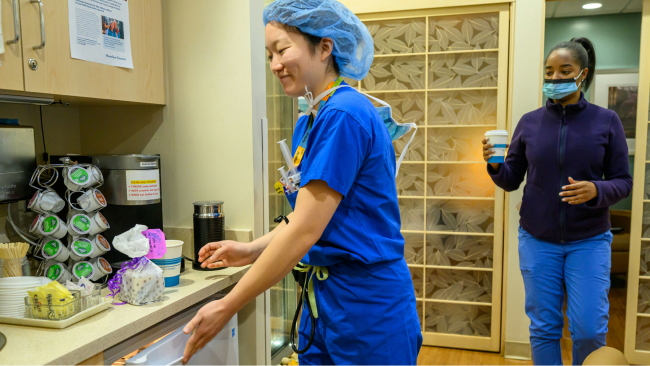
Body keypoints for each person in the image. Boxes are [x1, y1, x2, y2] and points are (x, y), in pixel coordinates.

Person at [181, 0, 422, 365]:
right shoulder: (309, 120)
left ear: (325, 47)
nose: (275, 64)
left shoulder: (344, 114)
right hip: (323, 300)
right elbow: (307, 219)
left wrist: (229, 305)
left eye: (283, 49)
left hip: (366, 306)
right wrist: (248, 251)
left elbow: (304, 229)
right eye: (269, 54)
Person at [483, 37, 632, 365]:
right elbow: (511, 179)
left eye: (565, 71)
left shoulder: (606, 122)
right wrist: (494, 165)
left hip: (589, 240)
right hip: (537, 239)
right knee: (544, 327)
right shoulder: (530, 122)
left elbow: (624, 182)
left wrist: (597, 190)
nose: (554, 79)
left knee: (589, 330)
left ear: (583, 75)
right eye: (549, 72)